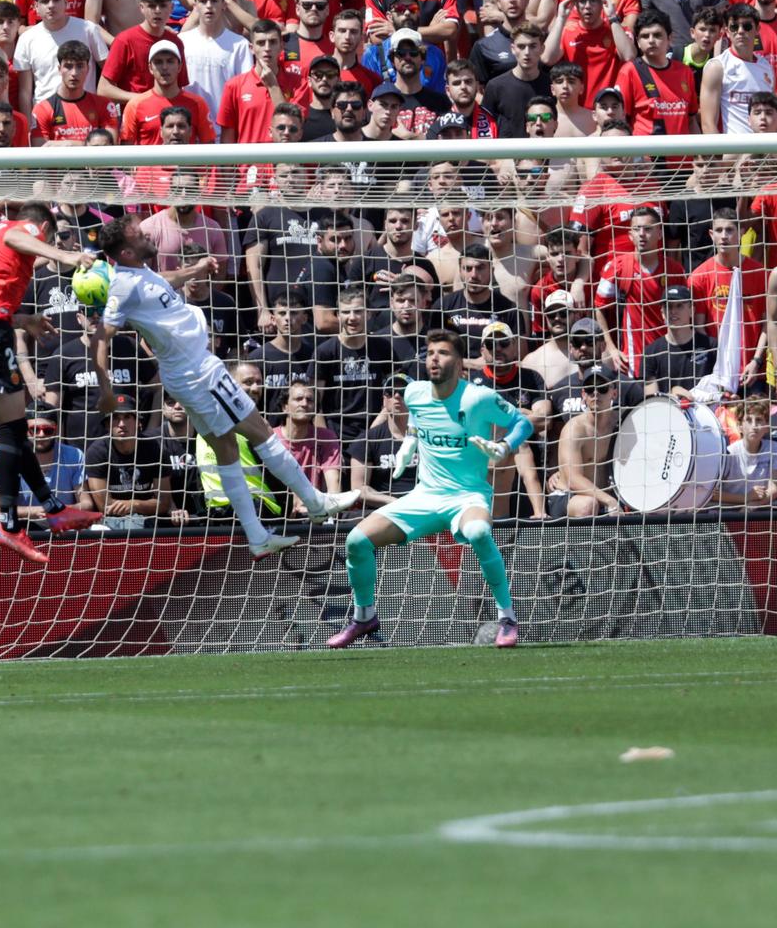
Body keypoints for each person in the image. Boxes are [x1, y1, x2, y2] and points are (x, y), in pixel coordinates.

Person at [86, 218, 357, 557]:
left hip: (190, 373)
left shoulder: (141, 273)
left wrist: (195, 268)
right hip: (198, 372)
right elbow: (101, 337)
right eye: (140, 235)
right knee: (261, 432)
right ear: (126, 251)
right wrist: (106, 391)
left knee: (226, 449)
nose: (147, 235)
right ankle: (316, 502)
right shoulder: (123, 285)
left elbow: (163, 282)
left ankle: (257, 536)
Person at [330, 329, 534, 650]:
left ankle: (507, 618)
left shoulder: (477, 397)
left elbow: (524, 423)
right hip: (426, 496)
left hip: (467, 495)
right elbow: (416, 420)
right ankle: (364, 616)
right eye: (429, 353)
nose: (434, 359)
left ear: (460, 361)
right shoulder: (414, 393)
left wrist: (505, 446)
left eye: (443, 353)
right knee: (356, 540)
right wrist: (409, 444)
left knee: (480, 532)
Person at [0, 201, 106, 561]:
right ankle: (9, 525)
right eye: (49, 237)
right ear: (44, 228)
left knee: (16, 426)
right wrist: (65, 255)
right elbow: (20, 237)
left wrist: (23, 320)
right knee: (13, 431)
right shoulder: (22, 229)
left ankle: (52, 507)